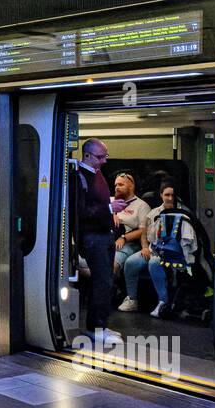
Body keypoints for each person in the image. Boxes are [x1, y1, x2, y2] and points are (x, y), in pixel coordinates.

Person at [122, 183, 197, 318]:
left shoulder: (185, 213)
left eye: (172, 195)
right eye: (167, 195)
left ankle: (163, 302)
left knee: (154, 263)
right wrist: (145, 247)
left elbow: (190, 242)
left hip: (176, 254)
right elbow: (144, 233)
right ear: (161, 195)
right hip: (154, 250)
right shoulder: (154, 213)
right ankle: (132, 299)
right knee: (130, 263)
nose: (169, 198)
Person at [74, 138, 122, 347]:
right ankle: (95, 327)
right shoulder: (79, 178)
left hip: (104, 233)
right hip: (93, 237)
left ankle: (101, 324)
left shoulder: (97, 175)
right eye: (100, 157)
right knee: (101, 281)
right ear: (87, 156)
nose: (104, 161)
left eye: (106, 156)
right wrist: (110, 209)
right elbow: (81, 211)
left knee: (106, 281)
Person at [111, 172, 150, 311]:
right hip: (107, 239)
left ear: (131, 185)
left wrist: (124, 237)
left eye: (121, 185)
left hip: (129, 242)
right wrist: (113, 213)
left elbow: (143, 230)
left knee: (112, 265)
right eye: (116, 185)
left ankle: (108, 293)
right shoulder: (111, 202)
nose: (117, 187)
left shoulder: (141, 206)